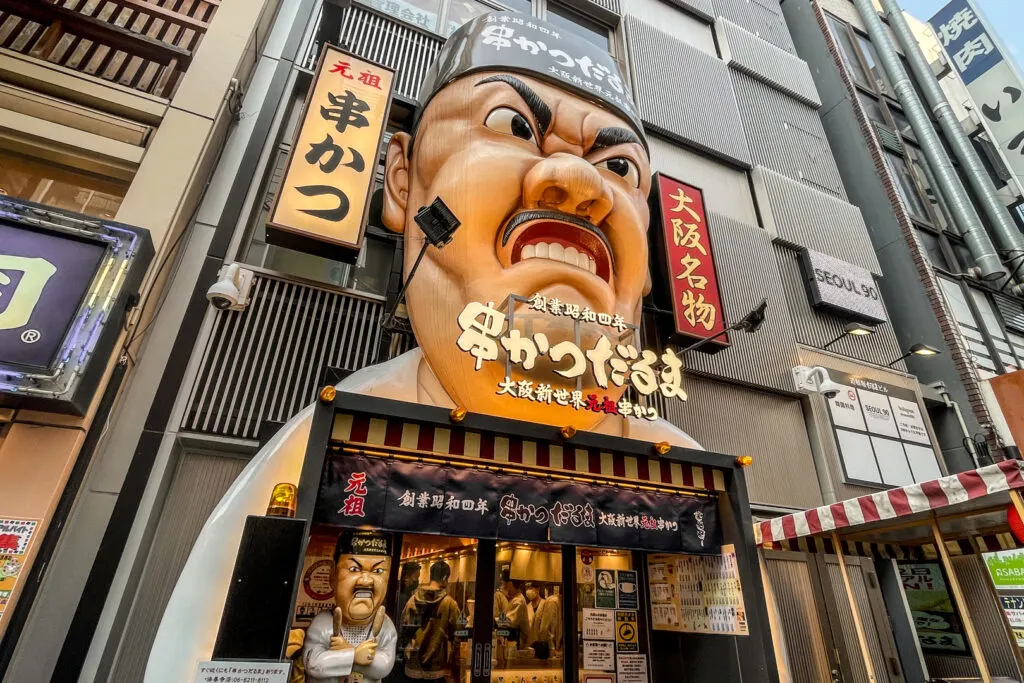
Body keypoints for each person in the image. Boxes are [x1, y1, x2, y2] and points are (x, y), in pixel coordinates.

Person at [144, 15, 700, 682]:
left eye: (619, 168)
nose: (579, 184)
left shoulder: (680, 467)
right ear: (404, 180)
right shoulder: (337, 430)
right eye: (512, 126)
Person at [303, 530, 398, 683]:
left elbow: (384, 666)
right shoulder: (323, 622)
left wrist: (345, 652)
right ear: (332, 576)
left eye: (378, 571)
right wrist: (354, 656)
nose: (366, 581)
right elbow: (314, 664)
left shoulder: (385, 625)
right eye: (354, 569)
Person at [401, 560, 461, 681]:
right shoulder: (450, 604)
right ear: (444, 577)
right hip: (436, 668)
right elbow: (458, 634)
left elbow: (403, 627)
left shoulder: (413, 599)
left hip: (413, 666)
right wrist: (452, 660)